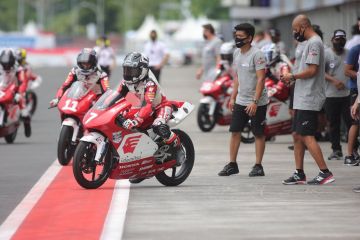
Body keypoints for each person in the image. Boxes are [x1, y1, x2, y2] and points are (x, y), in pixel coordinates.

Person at [281, 14, 335, 185]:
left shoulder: (314, 43)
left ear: (304, 26)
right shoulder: (307, 43)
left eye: (296, 30)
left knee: (306, 134)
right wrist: (291, 78)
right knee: (297, 134)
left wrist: (294, 76)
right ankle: (299, 173)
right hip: (302, 96)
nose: (295, 33)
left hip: (310, 96)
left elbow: (312, 70)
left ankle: (325, 172)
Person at [114, 52, 182, 178]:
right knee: (124, 123)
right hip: (141, 107)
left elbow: (147, 105)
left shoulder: (150, 83)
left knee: (158, 126)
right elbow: (115, 97)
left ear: (143, 71)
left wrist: (136, 120)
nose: (129, 73)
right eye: (127, 70)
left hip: (160, 107)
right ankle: (141, 164)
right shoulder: (126, 82)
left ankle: (177, 148)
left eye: (132, 70)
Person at [218, 23, 267, 177]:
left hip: (257, 101)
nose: (237, 39)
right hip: (241, 99)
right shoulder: (237, 54)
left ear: (249, 38)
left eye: (240, 36)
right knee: (235, 131)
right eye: (236, 36)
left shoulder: (257, 54)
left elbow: (261, 80)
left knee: (258, 133)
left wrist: (255, 101)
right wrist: (233, 97)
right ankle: (232, 164)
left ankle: (258, 166)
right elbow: (237, 77)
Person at [324, 30, 352, 160]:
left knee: (351, 123)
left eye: (342, 39)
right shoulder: (326, 54)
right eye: (337, 39)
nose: (340, 42)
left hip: (348, 94)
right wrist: (334, 80)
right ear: (332, 40)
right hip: (331, 95)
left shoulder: (349, 53)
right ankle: (336, 149)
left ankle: (353, 150)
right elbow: (320, 73)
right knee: (333, 123)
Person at [0, 49, 31, 137]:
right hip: (2, 87)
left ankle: (27, 124)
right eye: (4, 65)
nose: (6, 67)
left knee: (24, 111)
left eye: (8, 65)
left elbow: (23, 82)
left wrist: (20, 93)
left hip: (14, 88)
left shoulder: (18, 69)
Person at [345, 44, 360, 166]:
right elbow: (347, 70)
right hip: (356, 89)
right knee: (356, 121)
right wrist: (358, 75)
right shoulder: (355, 49)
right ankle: (349, 154)